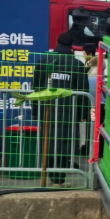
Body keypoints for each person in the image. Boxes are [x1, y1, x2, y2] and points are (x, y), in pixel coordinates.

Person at [32, 42, 89, 187]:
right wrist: (83, 112)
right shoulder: (77, 64)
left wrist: (35, 110)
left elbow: (36, 87)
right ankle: (60, 179)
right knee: (65, 144)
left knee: (49, 142)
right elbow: (83, 91)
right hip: (69, 111)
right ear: (71, 46)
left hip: (47, 110)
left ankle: (51, 176)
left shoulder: (44, 60)